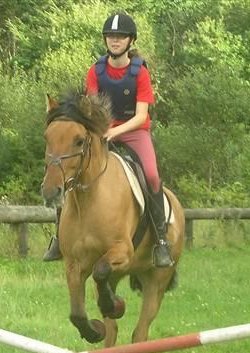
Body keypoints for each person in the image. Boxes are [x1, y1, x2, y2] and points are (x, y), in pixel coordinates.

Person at [43, 12, 174, 267]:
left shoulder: (140, 73)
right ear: (106, 40)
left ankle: (160, 241)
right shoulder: (96, 70)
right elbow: (91, 109)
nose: (115, 41)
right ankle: (60, 237)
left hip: (135, 131)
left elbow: (141, 116)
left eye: (120, 36)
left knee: (152, 174)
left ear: (130, 41)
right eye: (111, 36)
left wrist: (115, 131)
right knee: (72, 169)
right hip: (102, 132)